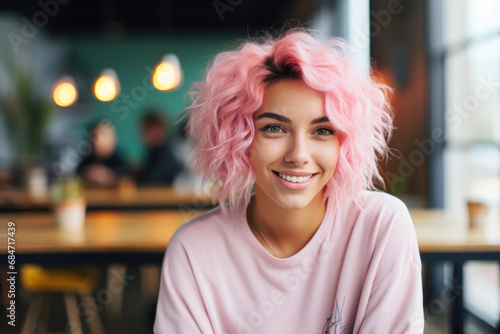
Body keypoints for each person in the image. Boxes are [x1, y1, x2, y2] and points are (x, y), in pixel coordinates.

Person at [154, 29, 424, 333]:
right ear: (238, 138)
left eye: (323, 131)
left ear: (344, 143)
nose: (298, 155)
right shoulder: (193, 251)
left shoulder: (381, 227)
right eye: (274, 128)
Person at [135, 109, 183, 185]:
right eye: (148, 130)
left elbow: (150, 181)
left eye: (155, 128)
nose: (152, 133)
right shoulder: (154, 151)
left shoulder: (165, 152)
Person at [76, 119, 129, 187]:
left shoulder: (119, 160)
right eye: (96, 136)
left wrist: (109, 177)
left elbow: (126, 180)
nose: (99, 140)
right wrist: (87, 173)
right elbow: (76, 177)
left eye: (105, 135)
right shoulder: (85, 159)